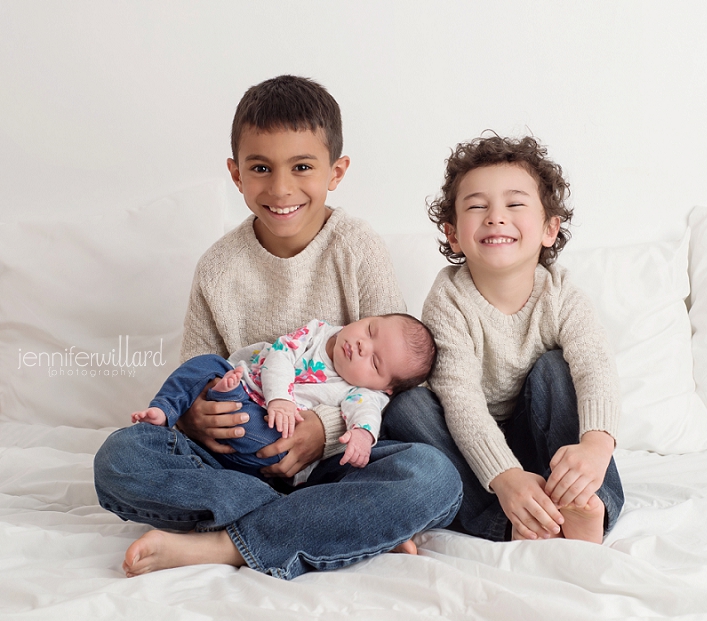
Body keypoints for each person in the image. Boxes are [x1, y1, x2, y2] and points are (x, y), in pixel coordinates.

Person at [93, 75, 461, 580]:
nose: (281, 188)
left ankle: (229, 544)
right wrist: (192, 418)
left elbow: (392, 379)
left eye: (302, 167)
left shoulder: (357, 248)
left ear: (336, 172)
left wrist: (323, 430)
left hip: (331, 462)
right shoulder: (218, 267)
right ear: (236, 174)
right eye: (261, 168)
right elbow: (195, 369)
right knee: (120, 460)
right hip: (234, 456)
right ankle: (335, 523)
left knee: (433, 476)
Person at [383, 135, 624, 545]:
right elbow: (461, 403)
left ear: (550, 229)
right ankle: (513, 521)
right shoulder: (447, 303)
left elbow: (596, 366)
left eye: (514, 204)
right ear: (454, 234)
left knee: (555, 369)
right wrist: (506, 477)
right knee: (409, 407)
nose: (496, 217)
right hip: (479, 455)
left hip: (545, 446)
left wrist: (596, 445)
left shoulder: (562, 295)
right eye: (477, 206)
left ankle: (585, 500)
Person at [131, 314, 437, 476]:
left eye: (374, 361)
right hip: (244, 385)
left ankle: (243, 492)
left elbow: (367, 413)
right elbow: (279, 355)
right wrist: (279, 398)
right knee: (203, 365)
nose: (361, 346)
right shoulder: (318, 332)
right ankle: (163, 410)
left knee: (274, 446)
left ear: (384, 387)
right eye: (370, 331)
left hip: (263, 431)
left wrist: (362, 436)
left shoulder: (361, 391)